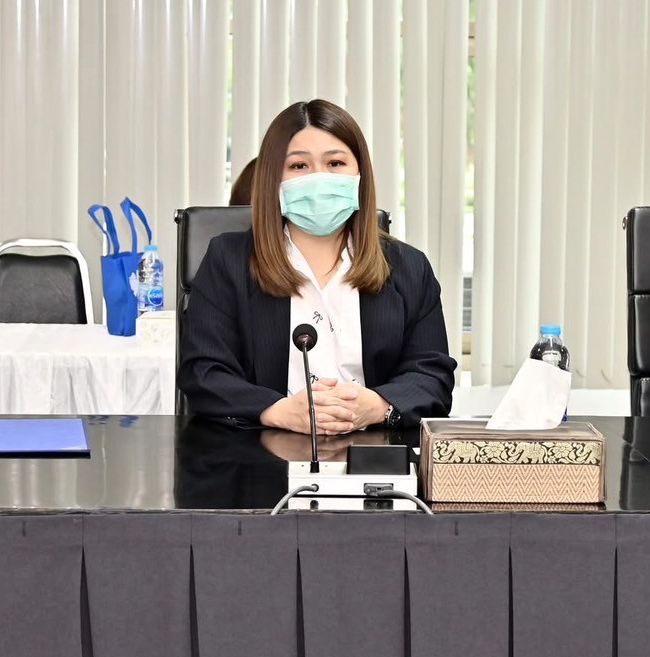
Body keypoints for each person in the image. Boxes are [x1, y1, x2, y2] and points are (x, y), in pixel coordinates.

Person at [179, 99, 455, 432]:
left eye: (335, 163)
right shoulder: (229, 260)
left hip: (373, 449)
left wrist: (377, 406)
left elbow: (433, 376)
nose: (319, 179)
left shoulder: (409, 267)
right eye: (299, 166)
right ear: (273, 179)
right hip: (261, 450)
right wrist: (277, 410)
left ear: (360, 175)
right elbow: (203, 372)